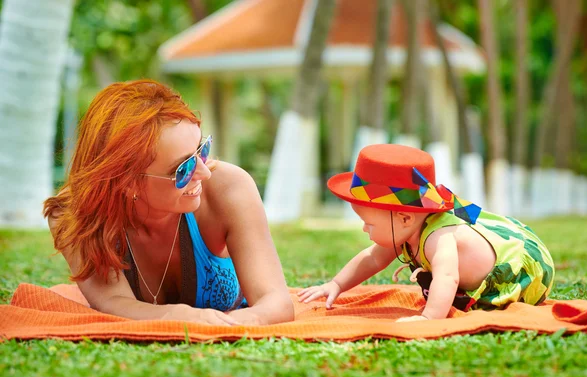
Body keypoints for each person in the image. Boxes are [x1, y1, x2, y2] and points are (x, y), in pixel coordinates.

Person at [44, 79, 294, 326]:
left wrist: (231, 324)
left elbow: (275, 301)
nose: (204, 173)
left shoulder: (228, 188)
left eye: (202, 150)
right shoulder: (74, 215)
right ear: (127, 181)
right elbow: (111, 302)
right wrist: (181, 317)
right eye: (183, 169)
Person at [299, 144, 555, 322]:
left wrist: (428, 318)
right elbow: (372, 258)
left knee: (449, 282)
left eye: (369, 223)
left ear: (405, 217)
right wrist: (335, 284)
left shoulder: (437, 237)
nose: (364, 229)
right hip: (492, 262)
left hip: (523, 271)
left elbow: (447, 278)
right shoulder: (405, 229)